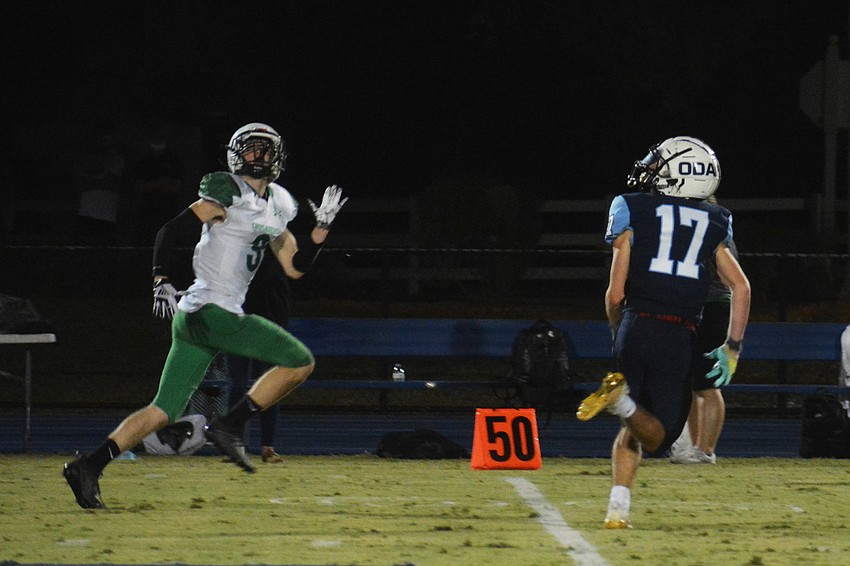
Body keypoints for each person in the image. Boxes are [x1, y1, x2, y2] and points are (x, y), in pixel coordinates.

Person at [62, 122, 348, 509]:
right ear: (236, 154)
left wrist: (321, 232)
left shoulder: (280, 203)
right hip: (212, 310)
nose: (258, 157)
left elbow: (294, 267)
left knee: (163, 411)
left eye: (265, 150)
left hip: (197, 318)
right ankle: (230, 425)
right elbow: (172, 229)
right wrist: (160, 277)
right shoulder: (226, 189)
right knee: (300, 362)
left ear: (277, 156)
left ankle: (88, 466)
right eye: (251, 150)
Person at [576, 136, 751, 529]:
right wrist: (733, 347)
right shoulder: (716, 219)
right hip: (677, 333)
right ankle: (620, 403)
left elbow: (615, 293)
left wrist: (618, 333)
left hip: (635, 324)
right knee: (658, 437)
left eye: (658, 163)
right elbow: (742, 287)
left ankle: (617, 510)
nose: (650, 169)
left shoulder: (630, 207)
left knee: (633, 425)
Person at [670, 219, 738, 465]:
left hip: (714, 308)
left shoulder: (714, 233)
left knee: (707, 383)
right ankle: (694, 446)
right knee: (692, 382)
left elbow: (728, 280)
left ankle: (706, 449)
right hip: (696, 308)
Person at [225, 250, 292, 463]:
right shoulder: (238, 247)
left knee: (267, 386)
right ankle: (238, 445)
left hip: (265, 325)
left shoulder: (274, 248)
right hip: (242, 325)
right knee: (238, 385)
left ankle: (266, 446)